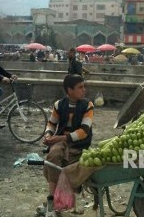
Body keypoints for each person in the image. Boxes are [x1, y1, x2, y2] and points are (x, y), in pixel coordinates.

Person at [38, 74, 94, 216]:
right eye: (80, 87)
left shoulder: (88, 105)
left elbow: (84, 131)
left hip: (79, 144)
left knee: (65, 165)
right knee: (53, 158)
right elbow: (51, 123)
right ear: (70, 90)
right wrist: (48, 135)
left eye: (83, 86)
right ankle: (53, 201)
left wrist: (59, 138)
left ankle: (56, 203)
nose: (84, 90)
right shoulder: (59, 105)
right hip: (60, 142)